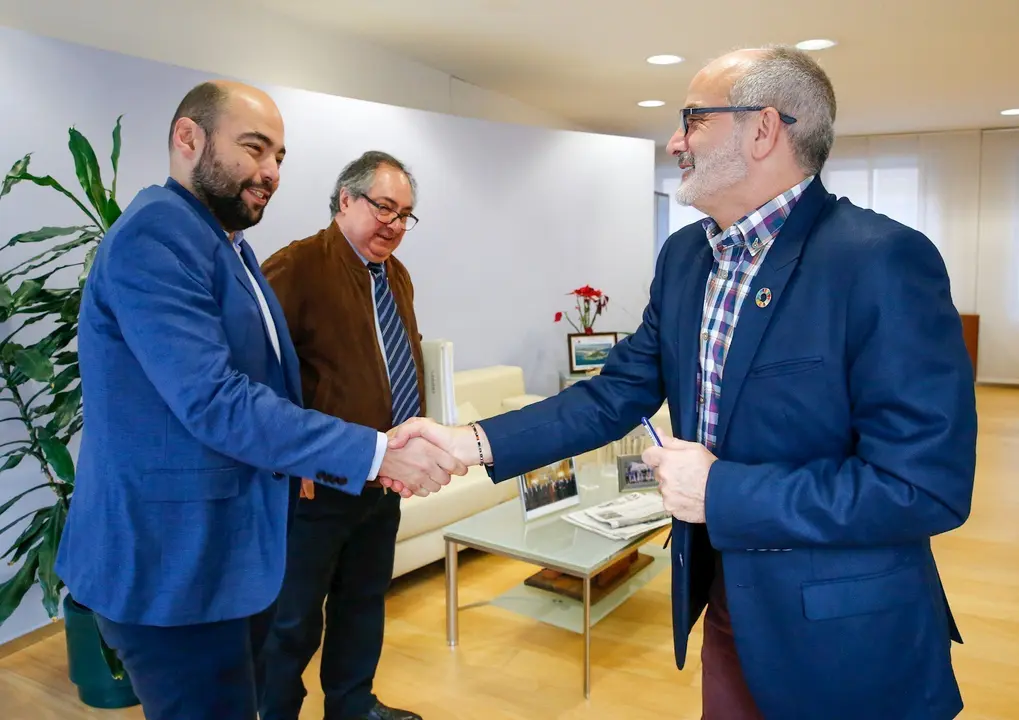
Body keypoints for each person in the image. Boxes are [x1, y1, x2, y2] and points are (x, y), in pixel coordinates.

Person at [387, 46, 978, 720]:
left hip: (846, 639)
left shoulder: (881, 261)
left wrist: (720, 488)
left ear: (762, 129)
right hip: (729, 608)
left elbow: (922, 487)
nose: (674, 141)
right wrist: (467, 444)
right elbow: (612, 395)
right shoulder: (685, 258)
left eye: (692, 119)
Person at [54, 81, 464, 720]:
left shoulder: (223, 243)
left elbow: (271, 381)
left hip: (228, 550)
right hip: (174, 563)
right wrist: (374, 451)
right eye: (254, 148)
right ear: (188, 138)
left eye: (279, 156)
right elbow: (217, 400)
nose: (270, 172)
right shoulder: (156, 235)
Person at [257, 151, 425, 720]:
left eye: (406, 214)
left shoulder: (394, 275)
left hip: (382, 476)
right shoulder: (296, 266)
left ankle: (352, 706)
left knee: (362, 601)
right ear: (346, 200)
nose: (395, 224)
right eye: (384, 207)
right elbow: (259, 372)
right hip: (317, 481)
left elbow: (395, 361)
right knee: (294, 619)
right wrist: (292, 458)